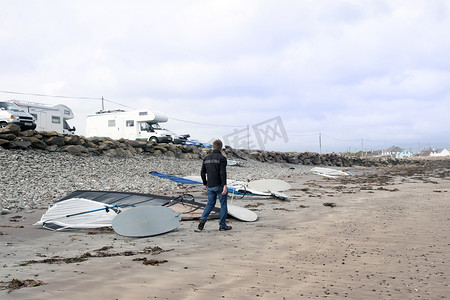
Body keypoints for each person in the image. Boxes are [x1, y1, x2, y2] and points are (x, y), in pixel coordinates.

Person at [198, 139, 232, 231]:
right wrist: (225, 185)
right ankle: (222, 225)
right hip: (219, 185)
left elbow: (202, 173)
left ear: (213, 147)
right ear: (220, 148)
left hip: (210, 185)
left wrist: (205, 183)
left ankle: (203, 218)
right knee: (223, 205)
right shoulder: (222, 158)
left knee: (210, 204)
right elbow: (222, 172)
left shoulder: (206, 158)